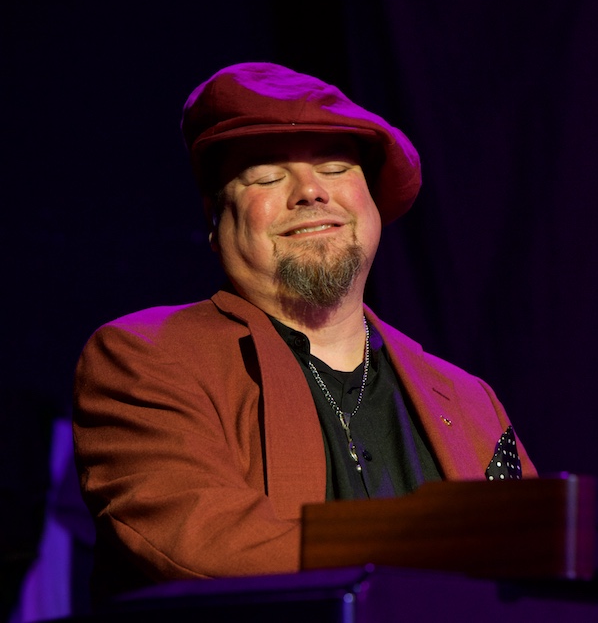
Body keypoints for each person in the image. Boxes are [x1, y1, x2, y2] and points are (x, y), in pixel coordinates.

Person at [72, 62, 536, 601]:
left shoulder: (470, 398)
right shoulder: (143, 359)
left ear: (373, 205)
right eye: (268, 175)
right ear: (216, 217)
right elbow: (205, 543)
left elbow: (542, 563)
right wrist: (443, 555)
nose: (311, 191)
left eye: (337, 168)